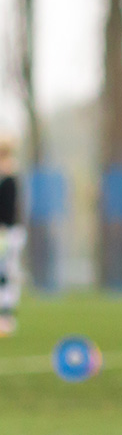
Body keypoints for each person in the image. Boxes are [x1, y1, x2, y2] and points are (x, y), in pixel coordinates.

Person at [0, 136, 22, 336]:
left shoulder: (10, 176)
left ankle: (6, 317)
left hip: (8, 232)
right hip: (5, 232)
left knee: (6, 274)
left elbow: (8, 209)